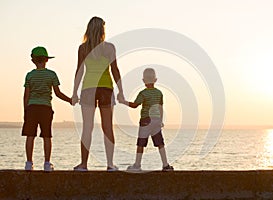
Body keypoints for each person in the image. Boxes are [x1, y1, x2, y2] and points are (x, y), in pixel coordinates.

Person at [72, 17, 124, 171]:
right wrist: (121, 91)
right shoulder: (109, 48)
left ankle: (83, 164)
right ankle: (109, 164)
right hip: (105, 89)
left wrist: (74, 92)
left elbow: (79, 71)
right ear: (102, 30)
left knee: (87, 128)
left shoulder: (83, 48)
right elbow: (115, 70)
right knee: (107, 127)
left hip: (88, 89)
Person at [22, 46, 72, 171]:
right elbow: (58, 93)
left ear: (33, 60)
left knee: (30, 136)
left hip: (32, 108)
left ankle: (29, 163)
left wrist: (25, 111)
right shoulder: (51, 75)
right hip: (46, 108)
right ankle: (47, 163)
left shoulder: (29, 75)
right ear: (46, 60)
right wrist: (70, 100)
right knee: (47, 136)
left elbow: (26, 96)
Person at [119, 68, 174, 171]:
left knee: (141, 143)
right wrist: (161, 121)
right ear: (155, 80)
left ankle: (137, 165)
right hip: (156, 120)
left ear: (143, 80)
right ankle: (165, 165)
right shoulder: (159, 93)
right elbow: (160, 107)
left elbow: (135, 105)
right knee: (160, 143)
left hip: (146, 120)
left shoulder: (143, 93)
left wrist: (123, 102)